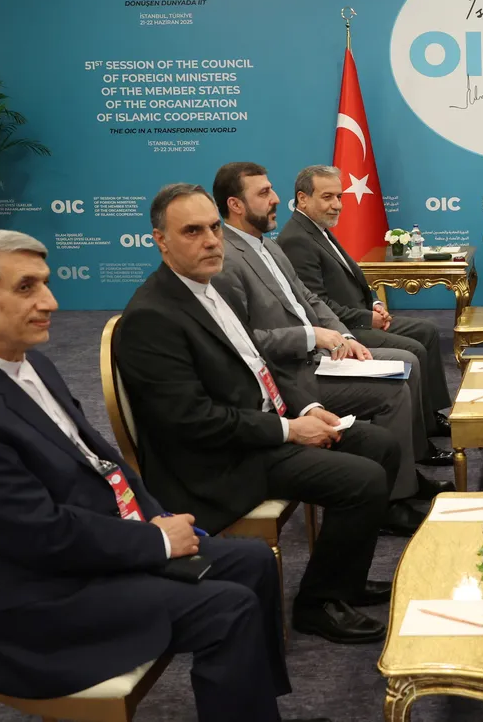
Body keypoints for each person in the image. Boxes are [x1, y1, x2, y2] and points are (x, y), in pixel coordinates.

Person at [0, 230, 315, 722]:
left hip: (90, 550)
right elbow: (36, 534)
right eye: (26, 288)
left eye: (45, 284)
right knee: (228, 607)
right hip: (35, 602)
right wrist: (155, 542)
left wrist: (156, 520)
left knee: (253, 561)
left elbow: (105, 463)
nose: (50, 302)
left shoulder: (33, 363)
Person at [117, 185, 397, 646]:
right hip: (219, 459)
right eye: (192, 231)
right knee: (361, 481)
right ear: (160, 241)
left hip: (258, 426)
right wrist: (289, 430)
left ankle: (344, 580)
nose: (212, 240)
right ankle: (318, 604)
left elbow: (259, 366)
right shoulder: (152, 316)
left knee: (380, 445)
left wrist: (309, 408)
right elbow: (191, 421)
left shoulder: (211, 287)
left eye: (214, 228)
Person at [209, 163, 451, 534]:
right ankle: (393, 502)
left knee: (402, 368)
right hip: (290, 375)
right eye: (264, 193)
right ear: (235, 205)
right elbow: (244, 342)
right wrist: (312, 336)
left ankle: (404, 480)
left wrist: (345, 337)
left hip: (321, 357)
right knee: (395, 389)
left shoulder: (268, 246)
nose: (276, 199)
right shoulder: (227, 260)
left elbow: (309, 299)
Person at [277, 164, 453, 459]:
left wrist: (373, 304)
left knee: (427, 331)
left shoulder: (318, 229)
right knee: (413, 351)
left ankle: (428, 418)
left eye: (339, 197)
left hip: (359, 315)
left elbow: (348, 280)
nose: (337, 205)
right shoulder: (297, 239)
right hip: (343, 329)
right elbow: (316, 304)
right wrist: (365, 318)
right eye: (327, 197)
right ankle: (419, 445)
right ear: (302, 199)